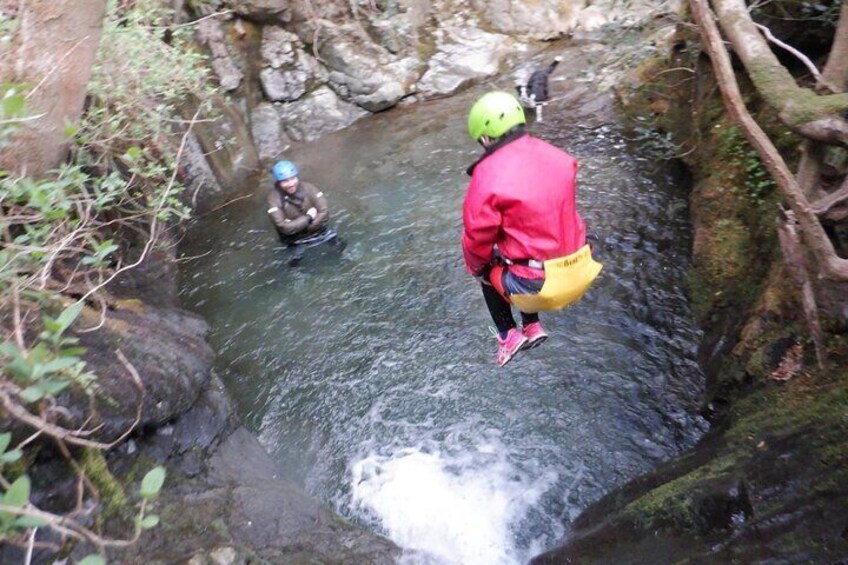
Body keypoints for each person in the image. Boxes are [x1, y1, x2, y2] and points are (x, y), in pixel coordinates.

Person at [462, 91, 602, 367]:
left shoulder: (488, 175)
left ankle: (507, 336)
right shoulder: (559, 157)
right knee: (520, 254)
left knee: (486, 269)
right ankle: (533, 327)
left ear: (487, 138)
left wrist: (476, 268)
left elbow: (476, 234)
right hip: (582, 268)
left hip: (539, 286)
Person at [266, 160, 343, 266]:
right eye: (285, 181)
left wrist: (303, 227)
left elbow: (324, 212)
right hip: (295, 239)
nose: (291, 184)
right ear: (279, 183)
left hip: (317, 231)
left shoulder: (309, 188)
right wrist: (309, 217)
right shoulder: (274, 199)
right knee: (294, 261)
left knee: (340, 245)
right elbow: (283, 227)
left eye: (293, 178)